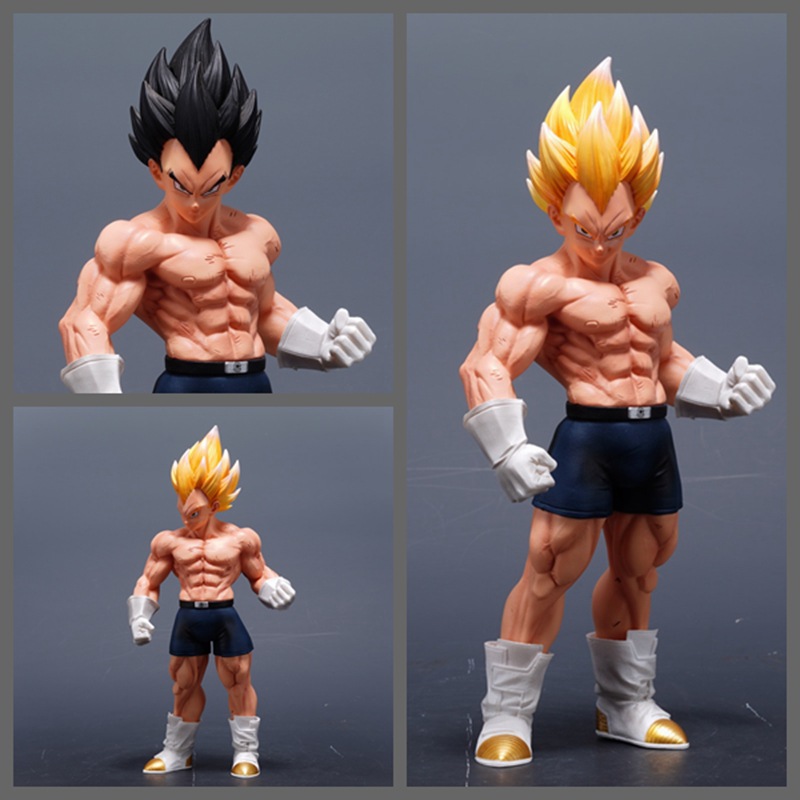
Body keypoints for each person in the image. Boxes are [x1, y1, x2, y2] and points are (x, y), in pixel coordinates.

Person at [459, 58, 775, 767]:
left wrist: (720, 388)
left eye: (617, 228)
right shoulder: (536, 286)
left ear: (640, 213)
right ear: (554, 211)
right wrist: (507, 445)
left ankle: (625, 703)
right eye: (584, 228)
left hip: (650, 439)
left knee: (641, 569)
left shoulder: (656, 281)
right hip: (588, 437)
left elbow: (663, 360)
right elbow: (485, 363)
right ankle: (507, 711)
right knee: (549, 568)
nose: (600, 243)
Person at [59, 19, 375, 393]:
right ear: (156, 172)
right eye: (181, 185)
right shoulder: (135, 241)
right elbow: (84, 322)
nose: (195, 202)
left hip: (255, 381)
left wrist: (323, 343)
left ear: (234, 177)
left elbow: (264, 313)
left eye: (210, 188)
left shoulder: (256, 235)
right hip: (186, 383)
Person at [127, 426, 296, 777]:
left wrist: (272, 586)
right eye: (181, 505)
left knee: (238, 681)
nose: (185, 518)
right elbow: (148, 581)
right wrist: (139, 616)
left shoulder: (240, 539)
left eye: (195, 512)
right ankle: (178, 752)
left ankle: (246, 752)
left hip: (224, 617)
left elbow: (259, 573)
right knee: (183, 685)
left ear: (215, 506)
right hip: (188, 617)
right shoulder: (168, 542)